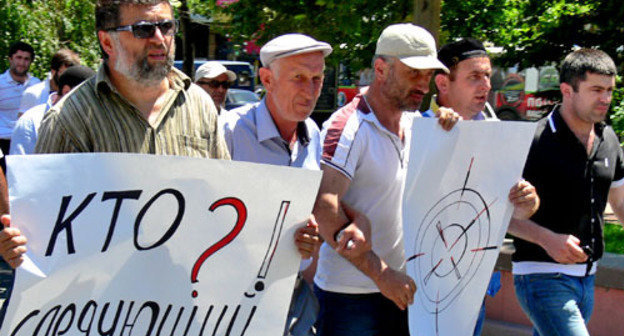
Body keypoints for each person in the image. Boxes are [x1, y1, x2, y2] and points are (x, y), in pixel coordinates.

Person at [311, 23, 459, 335]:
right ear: (381, 69)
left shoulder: (416, 121)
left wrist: (446, 133)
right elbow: (324, 209)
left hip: (402, 291)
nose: (424, 84)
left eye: (428, 74)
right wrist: (382, 274)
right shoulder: (348, 127)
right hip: (350, 298)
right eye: (413, 73)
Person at [221, 33, 332, 336]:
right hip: (233, 302)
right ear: (267, 79)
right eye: (298, 77)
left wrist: (312, 236)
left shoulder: (312, 133)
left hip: (295, 299)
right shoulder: (230, 131)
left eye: (317, 78)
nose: (310, 91)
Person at [425, 37, 537, 336]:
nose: (486, 85)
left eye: (488, 75)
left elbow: (513, 213)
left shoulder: (496, 134)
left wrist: (527, 201)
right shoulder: (416, 128)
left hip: (474, 286)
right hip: (423, 284)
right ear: (443, 83)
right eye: (474, 76)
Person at [508, 48, 624, 336]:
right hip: (540, 277)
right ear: (567, 90)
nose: (606, 99)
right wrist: (546, 238)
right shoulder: (531, 140)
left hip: (587, 279)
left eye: (609, 90)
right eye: (596, 89)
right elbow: (497, 215)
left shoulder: (608, 138)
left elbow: (620, 201)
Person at [10, 65, 96, 155]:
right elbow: (21, 165)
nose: (90, 105)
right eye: (87, 98)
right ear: (67, 92)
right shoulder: (31, 122)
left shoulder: (90, 123)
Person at [0, 42, 40, 169]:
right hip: (2, 141)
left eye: (26, 59)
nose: (22, 63)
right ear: (10, 59)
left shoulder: (37, 85)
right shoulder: (0, 83)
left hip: (26, 143)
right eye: (18, 57)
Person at [18, 49, 80, 116]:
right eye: (64, 74)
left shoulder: (75, 96)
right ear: (53, 71)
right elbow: (23, 124)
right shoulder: (33, 94)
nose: (68, 79)